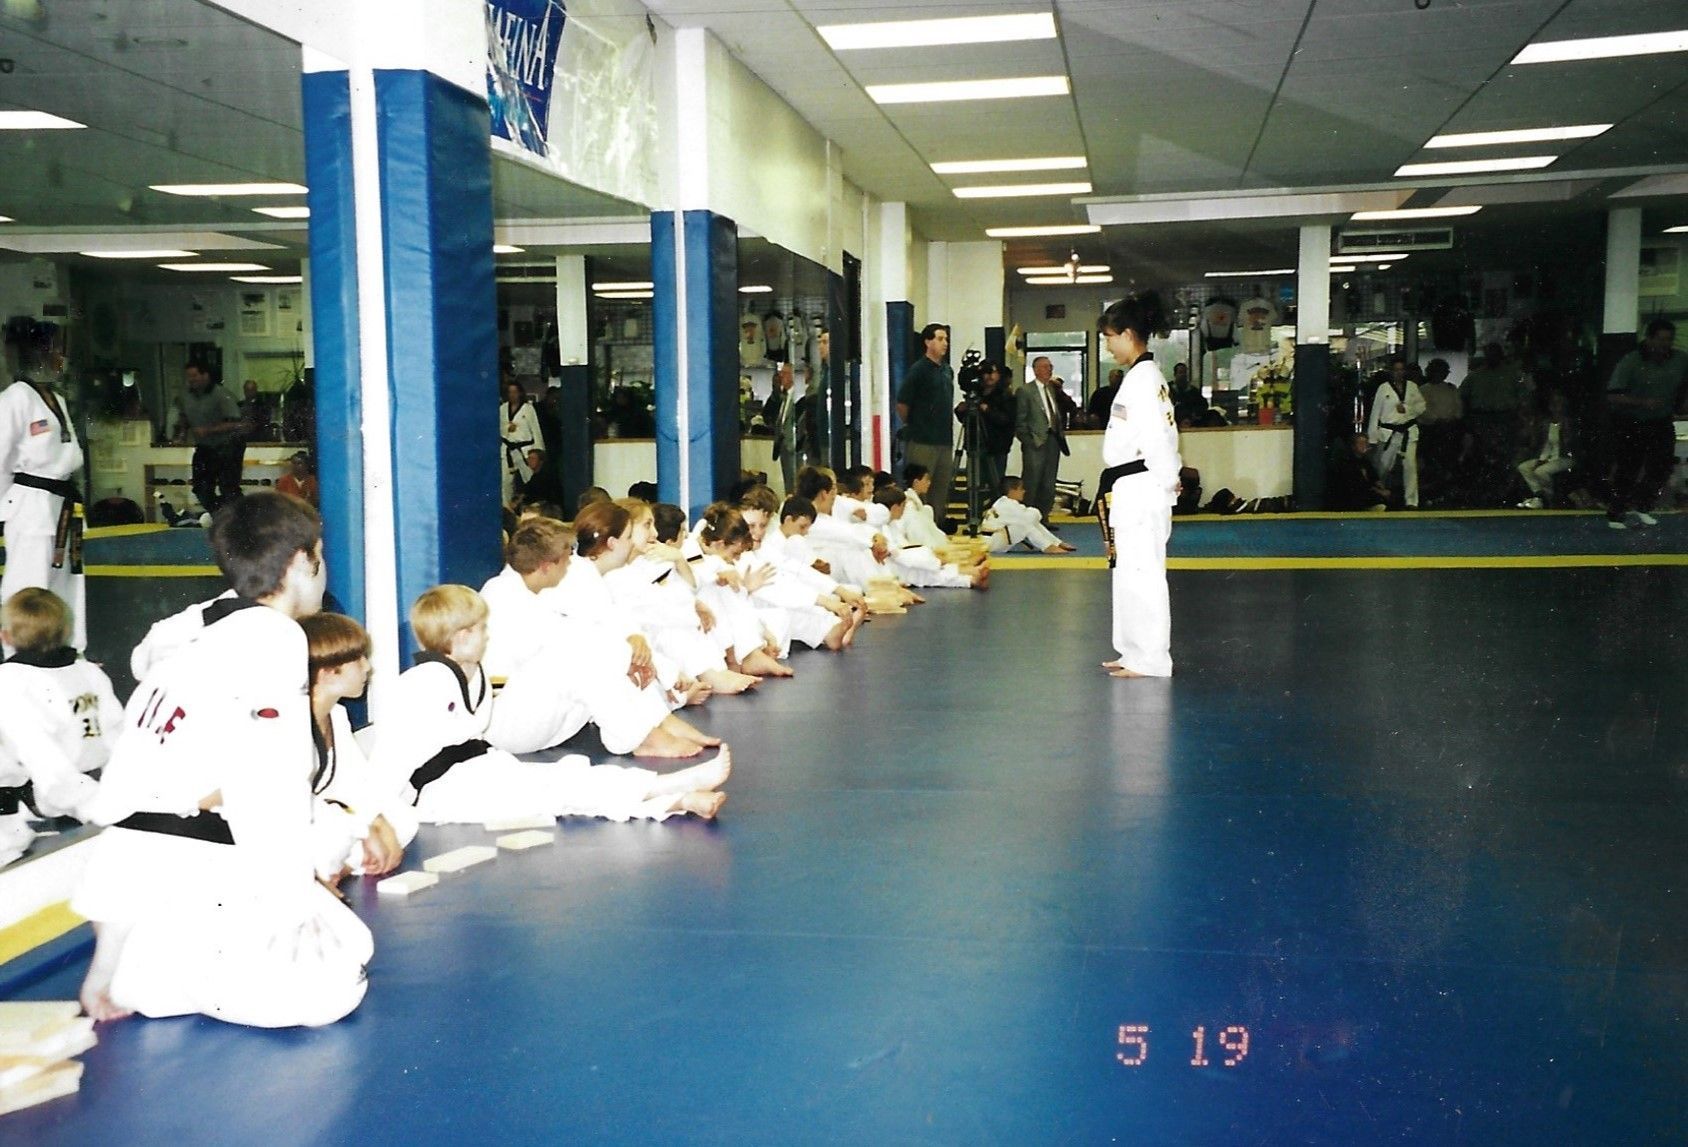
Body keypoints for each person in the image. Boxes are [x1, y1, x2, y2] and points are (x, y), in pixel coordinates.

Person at [74, 490, 374, 1027]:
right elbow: (269, 787)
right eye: (320, 558)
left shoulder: (198, 635)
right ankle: (163, 976)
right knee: (338, 984)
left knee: (349, 938)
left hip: (124, 870)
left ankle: (141, 964)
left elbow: (143, 668)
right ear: (301, 562)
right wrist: (292, 901)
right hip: (190, 861)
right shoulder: (276, 638)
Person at [370, 585, 729, 824]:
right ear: (462, 637)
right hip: (443, 793)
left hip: (478, 769)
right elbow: (388, 761)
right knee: (558, 793)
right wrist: (383, 819)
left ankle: (676, 795)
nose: (488, 634)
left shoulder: (469, 673)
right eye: (482, 628)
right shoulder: (417, 684)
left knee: (563, 779)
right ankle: (678, 793)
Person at [0, 587, 117, 867]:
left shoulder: (10, 679)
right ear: (66, 631)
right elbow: (117, 731)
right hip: (92, 781)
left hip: (45, 793)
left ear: (5, 636)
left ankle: (8, 836)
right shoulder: (90, 671)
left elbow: (37, 751)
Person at [1097, 292, 1181, 679]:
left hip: (1144, 486)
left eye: (1110, 337)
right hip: (1130, 488)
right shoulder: (1139, 377)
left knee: (1144, 575)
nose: (1108, 345)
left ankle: (1151, 658)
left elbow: (1160, 438)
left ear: (1128, 334)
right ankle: (1132, 651)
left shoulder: (1145, 379)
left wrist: (1168, 483)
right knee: (1128, 572)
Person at [0, 319, 87, 652]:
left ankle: (70, 651)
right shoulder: (15, 399)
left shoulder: (56, 399)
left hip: (63, 504)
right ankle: (18, 655)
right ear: (37, 352)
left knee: (68, 582)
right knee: (28, 584)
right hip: (31, 507)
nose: (62, 356)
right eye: (56, 350)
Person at [1603, 318, 1687, 529]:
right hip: (1632, 421)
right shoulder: (1632, 361)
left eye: (1669, 340)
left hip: (1662, 420)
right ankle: (1617, 511)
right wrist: (1641, 402)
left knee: (1662, 465)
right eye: (1660, 339)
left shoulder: (1680, 360)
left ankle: (1643, 505)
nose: (1664, 344)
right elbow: (1612, 395)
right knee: (1628, 468)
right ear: (1649, 339)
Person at [896, 324, 955, 530]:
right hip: (922, 440)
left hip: (944, 441)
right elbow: (902, 404)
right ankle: (918, 531)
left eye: (946, 339)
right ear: (928, 342)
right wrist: (914, 424)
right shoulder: (918, 370)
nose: (944, 343)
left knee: (940, 489)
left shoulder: (947, 370)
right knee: (921, 489)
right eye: (939, 339)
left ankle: (936, 529)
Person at [176, 360, 247, 515]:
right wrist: (182, 433)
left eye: (194, 376)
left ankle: (242, 518)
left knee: (228, 488)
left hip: (228, 445)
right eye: (188, 376)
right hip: (205, 447)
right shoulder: (185, 395)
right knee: (200, 488)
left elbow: (236, 424)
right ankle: (219, 515)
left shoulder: (222, 395)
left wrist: (208, 430)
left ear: (205, 375)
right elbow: (183, 415)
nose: (191, 380)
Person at [1366, 356, 1426, 508]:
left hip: (1408, 431)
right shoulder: (1384, 388)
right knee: (1383, 467)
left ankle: (1412, 502)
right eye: (1396, 370)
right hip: (1388, 432)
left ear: (1405, 372)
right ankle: (1378, 497)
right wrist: (1372, 438)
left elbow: (1421, 407)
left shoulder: (1412, 387)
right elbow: (1375, 413)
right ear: (1391, 372)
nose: (1399, 373)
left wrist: (1407, 409)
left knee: (1410, 467)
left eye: (1401, 370)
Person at [1015, 355, 1069, 522]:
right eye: (1045, 367)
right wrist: (1028, 441)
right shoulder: (1025, 391)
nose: (1049, 370)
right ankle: (1028, 520)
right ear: (1036, 370)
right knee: (1032, 481)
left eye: (1050, 366)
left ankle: (1043, 517)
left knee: (1049, 483)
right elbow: (1020, 420)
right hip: (1035, 442)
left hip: (1053, 440)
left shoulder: (1051, 389)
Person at [1516, 391, 1577, 509]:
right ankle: (1539, 495)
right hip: (1547, 457)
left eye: (1558, 403)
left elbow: (1569, 444)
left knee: (1541, 471)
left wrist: (1564, 427)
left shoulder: (1569, 422)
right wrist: (1542, 459)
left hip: (1565, 457)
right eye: (1553, 403)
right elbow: (1544, 445)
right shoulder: (1546, 423)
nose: (1554, 406)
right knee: (1523, 467)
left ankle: (1549, 497)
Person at [981, 476, 1073, 554]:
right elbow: (1034, 516)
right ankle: (1047, 547)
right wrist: (1034, 512)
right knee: (1025, 525)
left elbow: (1032, 518)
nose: (1024, 491)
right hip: (992, 543)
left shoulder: (1004, 502)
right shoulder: (1007, 505)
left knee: (1027, 522)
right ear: (1012, 491)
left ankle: (1056, 543)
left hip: (993, 540)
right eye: (1021, 489)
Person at [500, 379, 545, 508]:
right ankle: (507, 511)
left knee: (530, 480)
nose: (512, 395)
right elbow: (498, 428)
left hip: (526, 449)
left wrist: (539, 450)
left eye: (515, 392)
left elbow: (535, 428)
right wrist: (507, 429)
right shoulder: (502, 409)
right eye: (510, 392)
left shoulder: (528, 408)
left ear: (520, 393)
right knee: (505, 483)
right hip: (507, 448)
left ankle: (534, 508)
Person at [763, 362, 802, 495]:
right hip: (783, 445)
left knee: (795, 480)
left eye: (784, 374)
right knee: (788, 481)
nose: (781, 377)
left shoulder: (797, 397)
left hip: (794, 445)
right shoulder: (782, 397)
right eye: (780, 374)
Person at [1328, 432, 1392, 512]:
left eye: (1365, 443)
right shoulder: (1346, 462)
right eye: (1361, 443)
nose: (1364, 446)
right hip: (1350, 497)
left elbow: (1374, 478)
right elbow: (1359, 484)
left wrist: (1382, 488)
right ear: (1353, 446)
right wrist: (1379, 492)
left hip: (1366, 493)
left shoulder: (1366, 462)